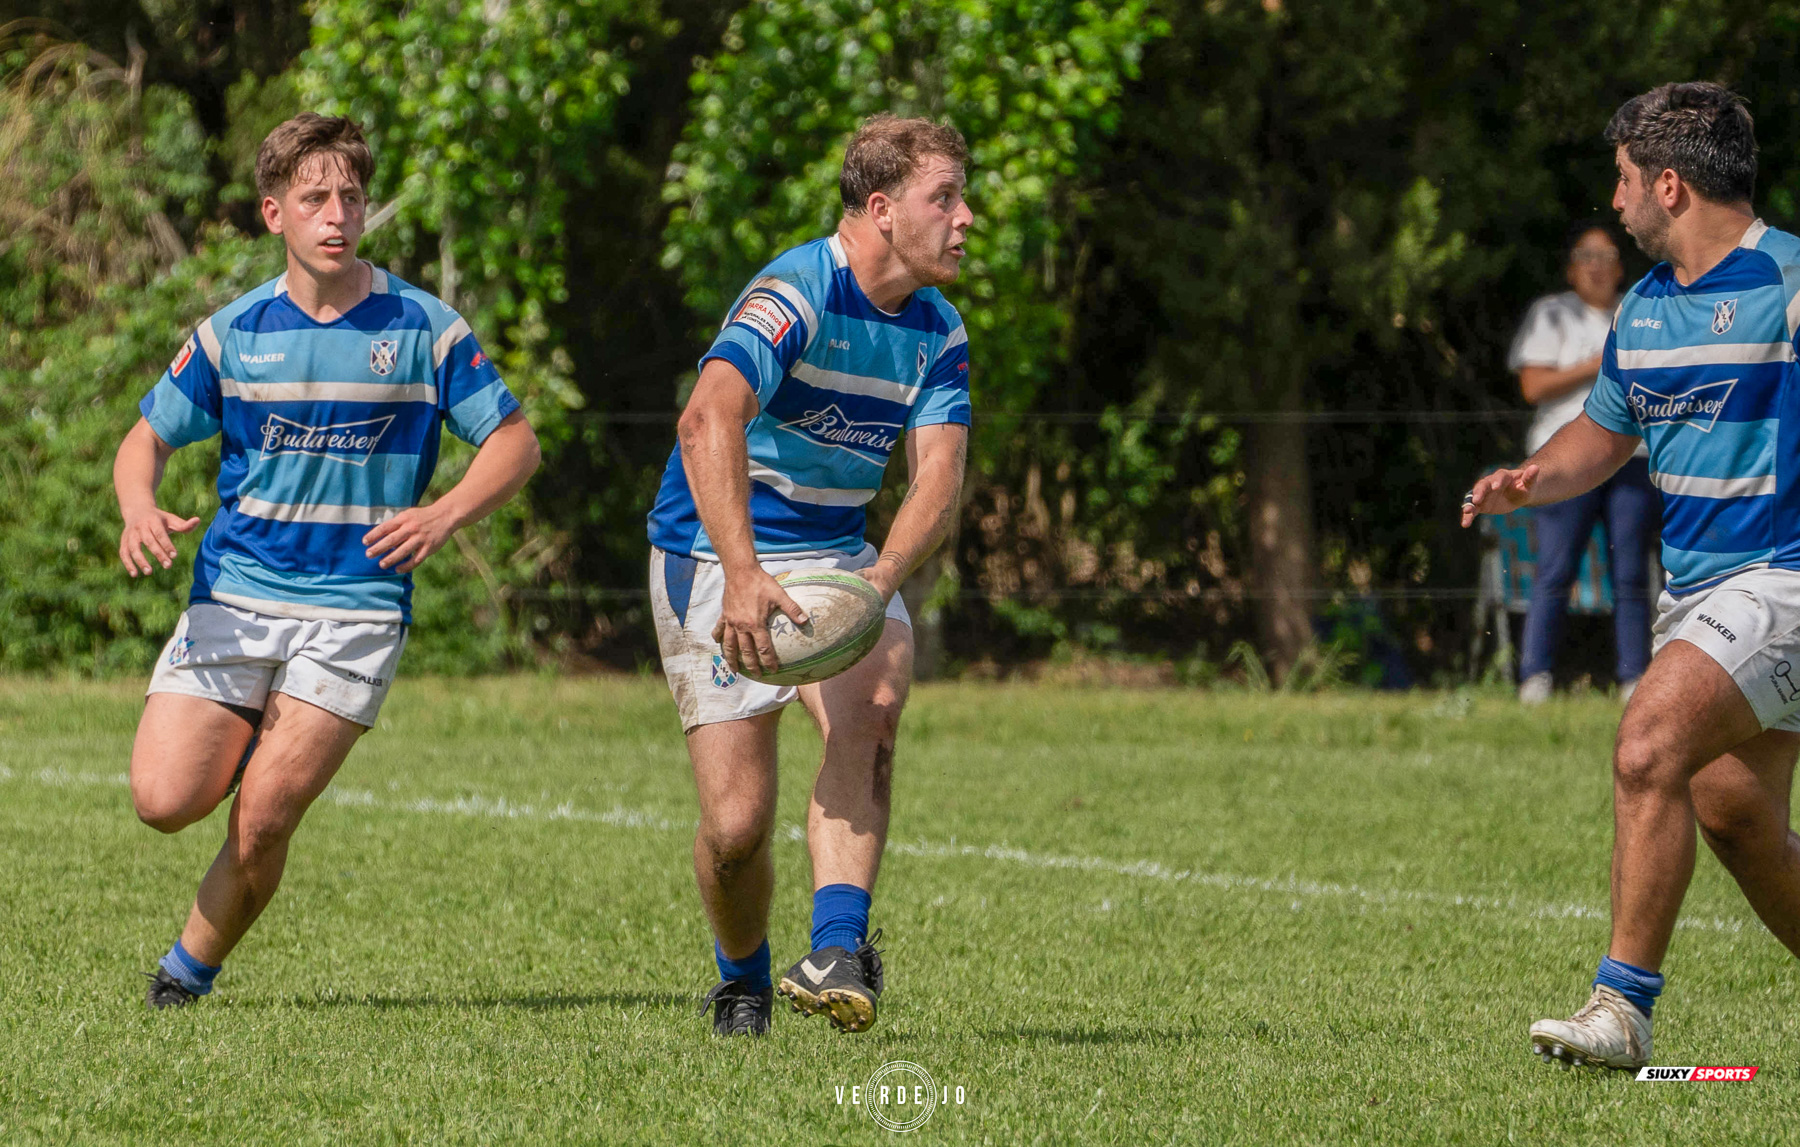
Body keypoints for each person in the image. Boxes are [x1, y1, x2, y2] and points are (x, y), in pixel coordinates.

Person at [116, 113, 540, 1008]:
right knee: (159, 799)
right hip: (234, 597)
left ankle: (181, 978)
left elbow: (513, 442)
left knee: (264, 815)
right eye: (314, 198)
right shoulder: (234, 332)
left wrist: (447, 512)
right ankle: (246, 735)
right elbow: (142, 440)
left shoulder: (423, 326)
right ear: (275, 213)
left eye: (351, 196)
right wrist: (138, 506)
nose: (337, 214)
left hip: (355, 608)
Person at [1464, 82, 1800, 1069]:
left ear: (1668, 183)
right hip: (1697, 596)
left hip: (1782, 582)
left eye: (1621, 181)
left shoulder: (1788, 281)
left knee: (1647, 742)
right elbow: (1602, 436)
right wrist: (1532, 479)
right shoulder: (1647, 309)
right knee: (1734, 812)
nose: (1614, 204)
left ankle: (1622, 1008)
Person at [647, 114, 972, 1036]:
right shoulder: (796, 291)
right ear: (880, 209)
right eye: (942, 198)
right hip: (715, 550)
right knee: (737, 827)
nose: (965, 217)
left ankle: (838, 947)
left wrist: (880, 581)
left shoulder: (936, 330)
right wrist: (744, 574)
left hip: (834, 555)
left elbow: (938, 475)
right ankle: (742, 975)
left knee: (872, 713)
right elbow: (706, 423)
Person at [1508, 224, 1660, 705]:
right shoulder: (1551, 313)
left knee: (1632, 571)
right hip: (1563, 461)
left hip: (1632, 459)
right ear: (1571, 268)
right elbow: (1533, 386)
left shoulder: (1640, 311)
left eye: (1607, 255)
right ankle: (1536, 677)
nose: (1596, 265)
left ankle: (1634, 677)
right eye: (1586, 256)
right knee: (1555, 568)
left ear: (1620, 267)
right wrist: (1596, 364)